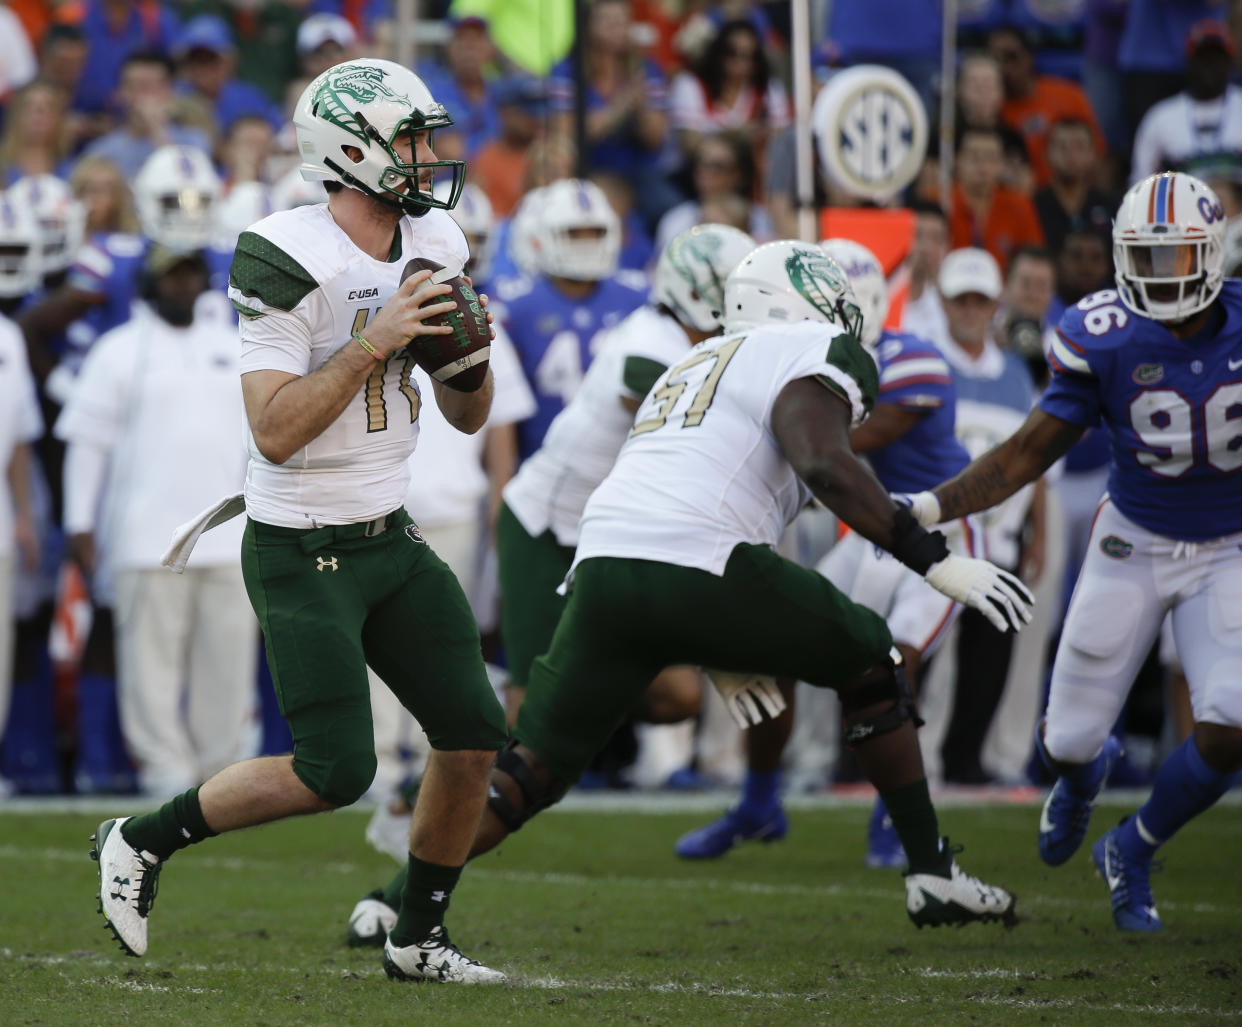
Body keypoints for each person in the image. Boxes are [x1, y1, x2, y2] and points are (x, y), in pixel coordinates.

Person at [356, 239, 1031, 946]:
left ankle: (394, 900)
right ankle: (931, 872)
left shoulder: (695, 359)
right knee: (872, 657)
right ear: (806, 303)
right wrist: (929, 557)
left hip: (606, 562)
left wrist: (723, 638)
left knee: (532, 770)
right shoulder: (809, 347)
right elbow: (826, 465)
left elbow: (714, 491)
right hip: (693, 557)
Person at [90, 58, 509, 984]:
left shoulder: (435, 233)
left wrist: (468, 358)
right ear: (350, 150)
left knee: (474, 732)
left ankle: (418, 936)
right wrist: (378, 336)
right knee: (336, 770)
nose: (429, 157)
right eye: (410, 140)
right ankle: (138, 839)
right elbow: (274, 431)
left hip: (389, 533)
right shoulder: (286, 251)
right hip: (300, 543)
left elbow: (468, 416)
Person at [351, 223, 750, 885]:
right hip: (550, 527)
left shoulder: (698, 345)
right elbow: (683, 442)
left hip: (611, 530)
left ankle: (564, 709)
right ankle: (414, 799)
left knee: (677, 696)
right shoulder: (647, 343)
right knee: (523, 707)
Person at [900, 172, 1241, 932]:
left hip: (1230, 545)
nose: (1160, 276)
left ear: (1213, 253)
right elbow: (1025, 454)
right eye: (1144, 258)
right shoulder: (1104, 332)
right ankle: (1086, 777)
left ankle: (1134, 847)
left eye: (1176, 256)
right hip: (1136, 539)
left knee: (1229, 726)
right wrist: (931, 505)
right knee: (1067, 741)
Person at [673, 238, 978, 868]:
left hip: (929, 531)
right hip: (871, 534)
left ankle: (895, 822)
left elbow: (834, 444)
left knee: (898, 662)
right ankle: (760, 801)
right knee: (772, 650)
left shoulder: (913, 359)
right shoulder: (803, 363)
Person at [56, 245, 255, 799]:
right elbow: (86, 445)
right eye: (172, 275)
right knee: (151, 668)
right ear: (149, 282)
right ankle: (164, 772)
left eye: (190, 274)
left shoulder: (231, 345)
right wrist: (79, 523)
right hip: (145, 539)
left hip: (227, 536)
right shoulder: (117, 351)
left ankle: (219, 772)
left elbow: (259, 442)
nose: (182, 284)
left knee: (227, 664)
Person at [928, 247, 1046, 785]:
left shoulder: (1019, 373)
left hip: (998, 542)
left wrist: (1037, 533)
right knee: (914, 653)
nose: (971, 309)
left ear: (995, 304)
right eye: (962, 299)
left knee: (987, 661)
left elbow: (1037, 458)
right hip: (931, 543)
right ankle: (880, 758)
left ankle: (965, 761)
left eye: (980, 299)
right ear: (944, 301)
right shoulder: (925, 363)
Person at [492, 176, 649, 460]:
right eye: (574, 233)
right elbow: (502, 407)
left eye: (595, 232)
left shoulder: (639, 298)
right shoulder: (515, 307)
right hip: (539, 460)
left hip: (622, 459)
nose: (586, 242)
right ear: (544, 237)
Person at [1130, 20, 1242, 186]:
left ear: (1229, 63)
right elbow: (1140, 185)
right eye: (1203, 58)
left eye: (1216, 59)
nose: (1209, 66)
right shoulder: (1160, 117)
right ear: (1189, 62)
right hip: (1180, 209)